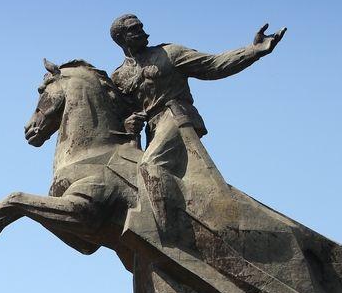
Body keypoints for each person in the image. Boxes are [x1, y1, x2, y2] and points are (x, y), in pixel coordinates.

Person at [110, 14, 285, 178]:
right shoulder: (118, 77)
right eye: (134, 29)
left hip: (176, 116)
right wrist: (127, 124)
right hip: (152, 132)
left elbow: (214, 65)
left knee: (151, 167)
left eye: (141, 26)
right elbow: (118, 116)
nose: (141, 30)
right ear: (121, 38)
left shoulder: (169, 53)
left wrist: (253, 51)